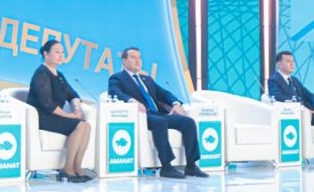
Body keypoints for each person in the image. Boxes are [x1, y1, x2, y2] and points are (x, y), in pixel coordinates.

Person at [107, 47, 207, 179]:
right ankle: (166, 167)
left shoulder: (146, 79)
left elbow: (164, 94)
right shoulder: (117, 78)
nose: (138, 61)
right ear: (124, 61)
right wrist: (131, 100)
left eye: (139, 58)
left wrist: (176, 104)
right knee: (161, 122)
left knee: (188, 122)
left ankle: (191, 165)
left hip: (158, 114)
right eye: (133, 57)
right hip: (142, 115)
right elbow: (114, 92)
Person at [25, 39, 93, 182]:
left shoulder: (59, 75)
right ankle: (67, 169)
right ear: (46, 54)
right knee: (80, 125)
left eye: (62, 52)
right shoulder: (41, 74)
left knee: (86, 125)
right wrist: (70, 116)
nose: (61, 55)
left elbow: (73, 95)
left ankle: (77, 167)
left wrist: (76, 108)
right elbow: (47, 104)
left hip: (56, 116)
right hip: (42, 117)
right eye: (57, 52)